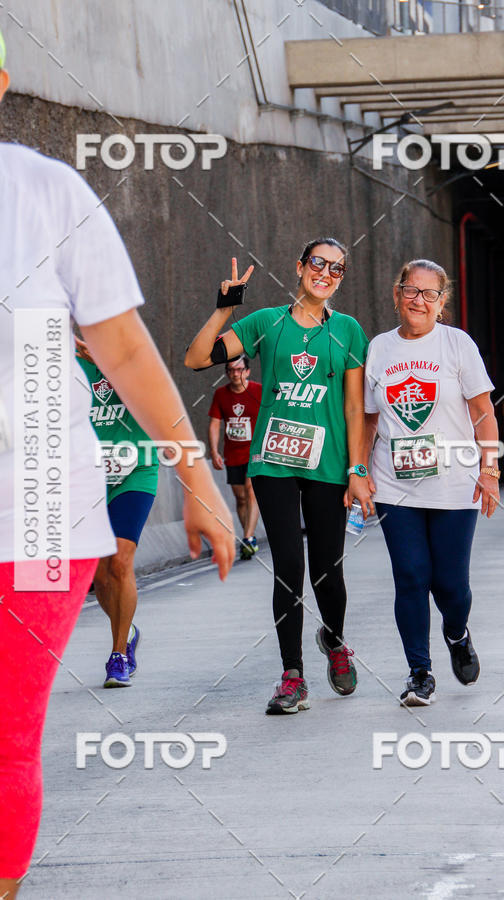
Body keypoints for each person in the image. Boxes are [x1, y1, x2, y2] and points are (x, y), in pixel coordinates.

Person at [0, 31, 234, 898]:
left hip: (32, 513)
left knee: (4, 744)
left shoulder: (44, 194)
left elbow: (129, 352)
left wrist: (199, 486)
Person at [185, 241, 374, 714]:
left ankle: (334, 640)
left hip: (329, 466)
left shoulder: (348, 330)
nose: (326, 273)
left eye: (337, 268)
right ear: (299, 267)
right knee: (288, 563)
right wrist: (224, 310)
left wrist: (357, 469)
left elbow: (354, 407)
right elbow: (195, 358)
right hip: (272, 462)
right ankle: (293, 676)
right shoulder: (266, 322)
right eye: (318, 263)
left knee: (327, 567)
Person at [364, 259, 499, 707]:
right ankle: (419, 673)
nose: (418, 300)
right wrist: (358, 473)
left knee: (451, 586)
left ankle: (457, 634)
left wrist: (490, 468)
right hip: (393, 483)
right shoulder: (379, 348)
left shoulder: (457, 344)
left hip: (454, 482)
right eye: (410, 290)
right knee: (410, 576)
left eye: (428, 294)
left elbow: (483, 411)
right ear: (396, 293)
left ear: (442, 302)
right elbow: (368, 418)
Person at [76, 338, 159, 687]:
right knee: (100, 577)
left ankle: (118, 655)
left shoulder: (134, 350)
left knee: (121, 561)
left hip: (135, 470)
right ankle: (128, 631)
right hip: (90, 477)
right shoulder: (68, 362)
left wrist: (108, 360)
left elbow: (152, 401)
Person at [208, 355, 262, 559]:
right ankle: (250, 534)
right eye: (231, 370)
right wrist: (214, 452)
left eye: (239, 370)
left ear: (247, 371)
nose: (235, 374)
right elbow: (214, 423)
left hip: (255, 452)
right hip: (233, 453)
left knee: (251, 491)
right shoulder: (221, 394)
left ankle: (247, 538)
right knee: (240, 498)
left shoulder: (258, 391)